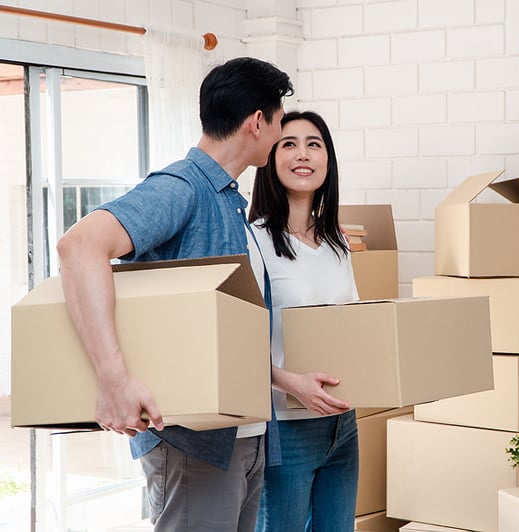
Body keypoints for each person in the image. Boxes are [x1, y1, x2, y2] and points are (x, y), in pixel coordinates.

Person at [56, 57, 293, 532]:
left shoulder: (228, 198)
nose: (281, 132)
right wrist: (114, 379)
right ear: (257, 122)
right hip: (190, 440)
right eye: (280, 120)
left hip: (241, 433)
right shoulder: (181, 188)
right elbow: (79, 246)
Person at [247, 110, 359, 532]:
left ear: (327, 159)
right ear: (271, 158)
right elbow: (236, 345)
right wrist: (292, 384)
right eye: (289, 143)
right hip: (286, 428)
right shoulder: (253, 240)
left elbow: (352, 324)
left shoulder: (338, 242)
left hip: (342, 426)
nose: (302, 154)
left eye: (314, 143)